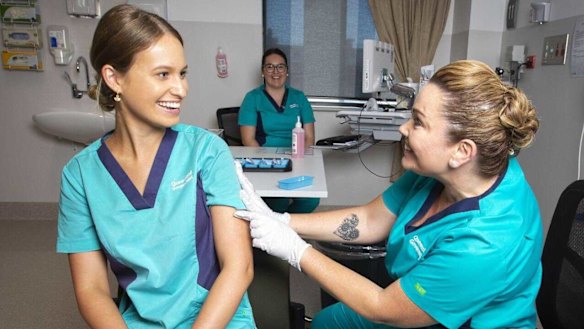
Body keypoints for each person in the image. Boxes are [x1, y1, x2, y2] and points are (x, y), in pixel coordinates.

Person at [235, 60, 542, 329]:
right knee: (328, 322)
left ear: (461, 151)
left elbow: (382, 307)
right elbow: (369, 219)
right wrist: (282, 220)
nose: (404, 128)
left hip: (455, 321)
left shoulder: (486, 244)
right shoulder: (446, 172)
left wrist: (295, 250)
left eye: (419, 122)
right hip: (415, 293)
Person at [56, 5, 255, 328]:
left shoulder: (207, 151)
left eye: (183, 73)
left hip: (218, 318)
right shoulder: (80, 176)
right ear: (114, 78)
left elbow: (239, 267)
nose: (181, 89)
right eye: (164, 74)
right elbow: (91, 288)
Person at [238, 48, 319, 214]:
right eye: (270, 67)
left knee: (311, 200)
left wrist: (298, 161)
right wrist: (269, 163)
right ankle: (277, 230)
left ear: (287, 71)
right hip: (267, 159)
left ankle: (286, 226)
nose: (276, 72)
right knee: (278, 200)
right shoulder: (252, 98)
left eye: (280, 67)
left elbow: (309, 137)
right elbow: (248, 140)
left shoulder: (299, 97)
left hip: (297, 159)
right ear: (263, 71)